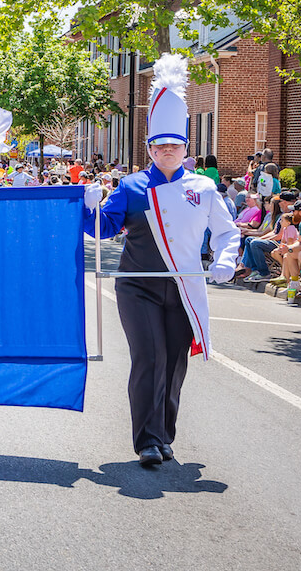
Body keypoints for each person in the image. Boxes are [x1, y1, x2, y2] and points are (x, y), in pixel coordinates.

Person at [83, 54, 239, 467]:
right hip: (138, 285)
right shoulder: (132, 186)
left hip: (184, 285)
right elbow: (101, 229)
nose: (167, 151)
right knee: (149, 358)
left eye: (174, 146)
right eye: (160, 145)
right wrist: (87, 206)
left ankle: (165, 434)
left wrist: (225, 259)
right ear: (150, 148)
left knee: (173, 364)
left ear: (185, 149)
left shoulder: (204, 187)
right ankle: (147, 440)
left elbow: (227, 231)